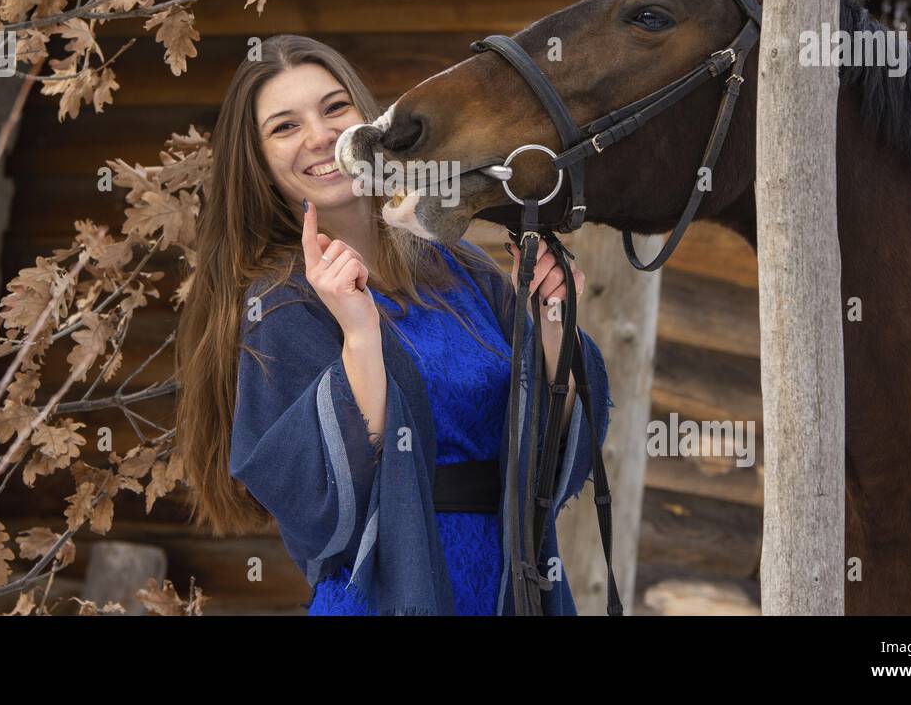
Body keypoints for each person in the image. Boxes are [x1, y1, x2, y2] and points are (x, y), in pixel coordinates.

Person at [175, 34, 614, 615]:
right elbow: (326, 498)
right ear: (256, 162)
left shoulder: (461, 269)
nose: (320, 135)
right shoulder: (279, 304)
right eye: (284, 127)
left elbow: (551, 442)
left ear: (367, 121)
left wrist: (551, 320)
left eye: (335, 108)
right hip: (389, 591)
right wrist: (360, 334)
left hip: (512, 584)